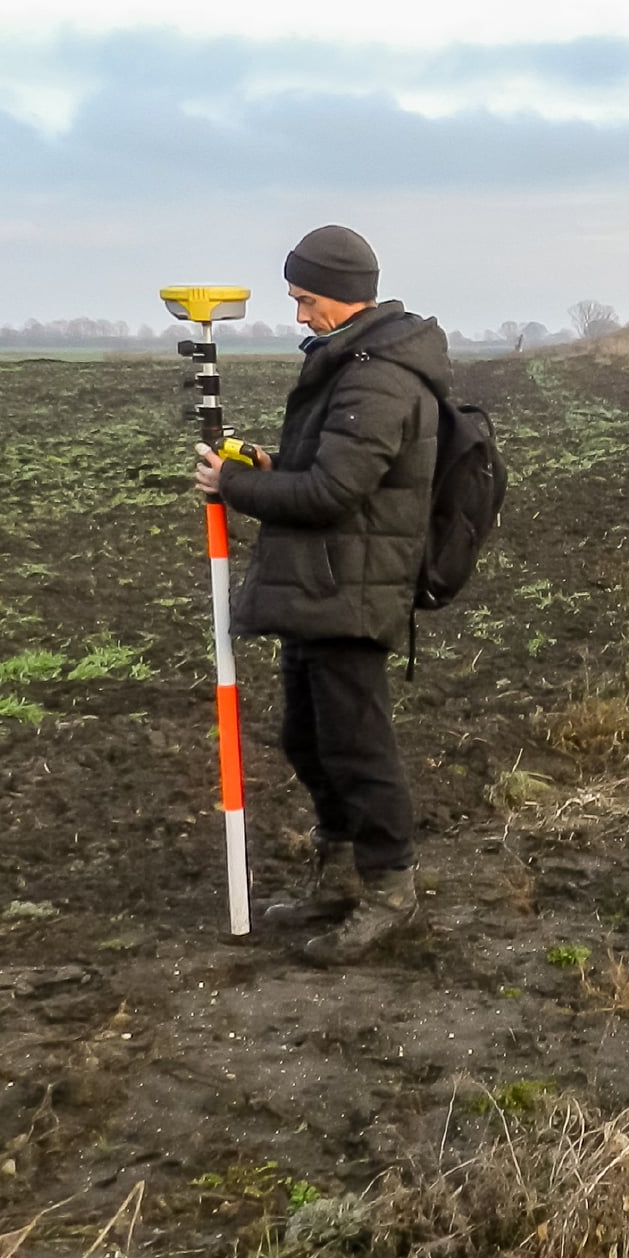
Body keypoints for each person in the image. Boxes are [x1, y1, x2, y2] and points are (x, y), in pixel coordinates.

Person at [193, 225, 450, 966]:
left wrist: (234, 485)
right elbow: (328, 466)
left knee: (358, 749)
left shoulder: (379, 377)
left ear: (344, 294)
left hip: (352, 589)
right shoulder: (351, 363)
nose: (301, 316)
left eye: (307, 300)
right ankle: (338, 875)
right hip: (322, 585)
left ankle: (390, 892)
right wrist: (275, 463)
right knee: (309, 740)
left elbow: (336, 491)